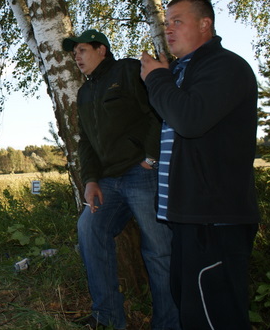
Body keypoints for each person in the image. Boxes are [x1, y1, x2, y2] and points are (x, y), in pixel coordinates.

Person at [140, 0, 260, 329]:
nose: (168, 29)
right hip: (188, 219)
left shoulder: (225, 66)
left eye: (177, 21)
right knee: (192, 311)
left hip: (215, 219)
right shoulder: (182, 72)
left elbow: (190, 120)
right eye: (166, 23)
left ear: (205, 24)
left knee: (215, 317)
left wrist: (156, 79)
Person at [63, 29, 180, 330]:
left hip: (142, 174)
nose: (77, 57)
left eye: (82, 50)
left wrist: (150, 157)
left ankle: (168, 323)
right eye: (74, 53)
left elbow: (157, 110)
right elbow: (86, 142)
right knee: (89, 229)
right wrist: (90, 180)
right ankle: (108, 318)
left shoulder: (128, 70)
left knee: (159, 249)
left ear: (101, 49)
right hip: (108, 182)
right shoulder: (85, 93)